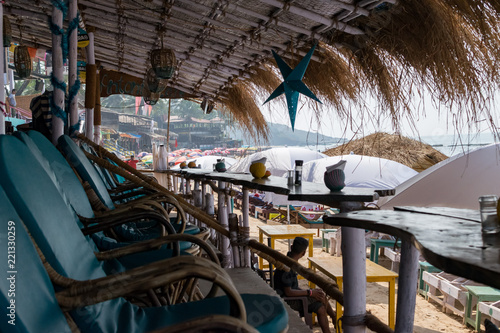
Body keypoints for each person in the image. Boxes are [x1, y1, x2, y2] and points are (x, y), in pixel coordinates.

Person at [274, 237, 336, 333]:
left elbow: (292, 287)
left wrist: (310, 293)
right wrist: (309, 293)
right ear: (303, 253)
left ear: (291, 247)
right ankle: (334, 318)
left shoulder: (288, 260)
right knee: (320, 306)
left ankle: (333, 317)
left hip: (287, 296)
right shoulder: (288, 267)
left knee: (319, 295)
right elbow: (288, 292)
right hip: (286, 300)